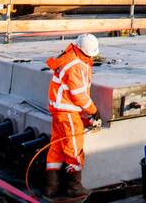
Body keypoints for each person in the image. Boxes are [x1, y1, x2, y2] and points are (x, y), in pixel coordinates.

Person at [45, 34, 103, 197]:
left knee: (56, 147)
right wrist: (93, 111)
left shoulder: (69, 57)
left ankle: (51, 186)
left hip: (59, 110)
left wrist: (85, 117)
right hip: (67, 111)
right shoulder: (77, 65)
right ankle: (74, 186)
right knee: (74, 149)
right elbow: (78, 95)